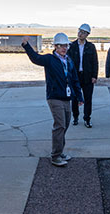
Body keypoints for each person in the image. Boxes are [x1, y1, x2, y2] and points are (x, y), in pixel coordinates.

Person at [22, 33, 84, 167]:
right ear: (55, 46)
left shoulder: (69, 61)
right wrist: (26, 46)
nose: (63, 48)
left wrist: (79, 96)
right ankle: (55, 156)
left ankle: (60, 151)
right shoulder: (50, 59)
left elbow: (74, 80)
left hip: (67, 98)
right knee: (60, 125)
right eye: (60, 46)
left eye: (65, 45)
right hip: (54, 97)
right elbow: (35, 58)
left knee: (66, 124)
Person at [68, 23, 99, 128]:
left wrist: (94, 76)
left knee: (88, 98)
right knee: (75, 98)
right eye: (80, 31)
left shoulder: (91, 47)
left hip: (87, 77)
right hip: (75, 77)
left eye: (83, 32)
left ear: (87, 34)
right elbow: (68, 62)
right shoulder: (71, 46)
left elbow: (95, 62)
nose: (80, 34)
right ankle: (75, 117)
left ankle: (87, 119)